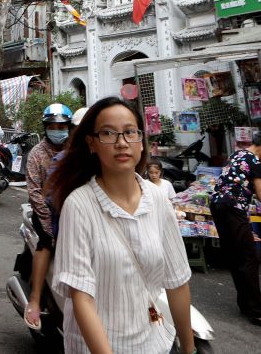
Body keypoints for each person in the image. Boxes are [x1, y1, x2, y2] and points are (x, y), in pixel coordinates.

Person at [47, 97, 196, 354]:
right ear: (91, 143)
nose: (121, 143)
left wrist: (189, 349)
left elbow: (177, 281)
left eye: (129, 132)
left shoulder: (158, 198)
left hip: (154, 342)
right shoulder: (79, 204)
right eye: (108, 133)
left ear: (140, 141)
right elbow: (81, 297)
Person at [208, 131, 261, 332]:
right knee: (249, 258)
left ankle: (246, 304)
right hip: (233, 208)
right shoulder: (256, 162)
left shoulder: (237, 155)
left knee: (237, 257)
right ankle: (258, 312)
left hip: (218, 206)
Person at [24, 102, 72, 330]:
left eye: (61, 125)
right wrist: (48, 223)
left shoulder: (76, 150)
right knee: (46, 244)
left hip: (74, 212)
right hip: (46, 213)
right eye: (52, 125)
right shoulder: (36, 154)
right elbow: (34, 191)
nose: (57, 129)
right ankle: (34, 299)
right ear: (45, 127)